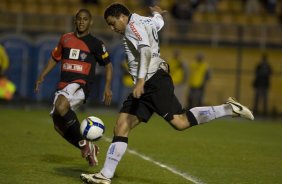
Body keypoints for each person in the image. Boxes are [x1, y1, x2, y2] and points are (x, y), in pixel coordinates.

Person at [80, 3, 254, 184]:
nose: (112, 28)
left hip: (152, 81)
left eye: (112, 23)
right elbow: (158, 23)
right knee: (122, 125)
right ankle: (105, 176)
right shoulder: (144, 20)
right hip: (150, 80)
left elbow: (145, 51)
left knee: (180, 122)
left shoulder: (132, 27)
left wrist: (140, 81)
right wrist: (157, 13)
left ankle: (228, 109)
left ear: (122, 17)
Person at [34, 9, 113, 167]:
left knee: (61, 106)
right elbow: (55, 57)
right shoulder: (65, 39)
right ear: (75, 21)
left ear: (90, 22)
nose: (82, 22)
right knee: (58, 125)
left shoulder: (96, 44)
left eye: (85, 19)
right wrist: (42, 74)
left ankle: (84, 145)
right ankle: (88, 147)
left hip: (81, 84)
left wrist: (107, 87)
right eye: (79, 19)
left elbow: (109, 66)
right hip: (63, 85)